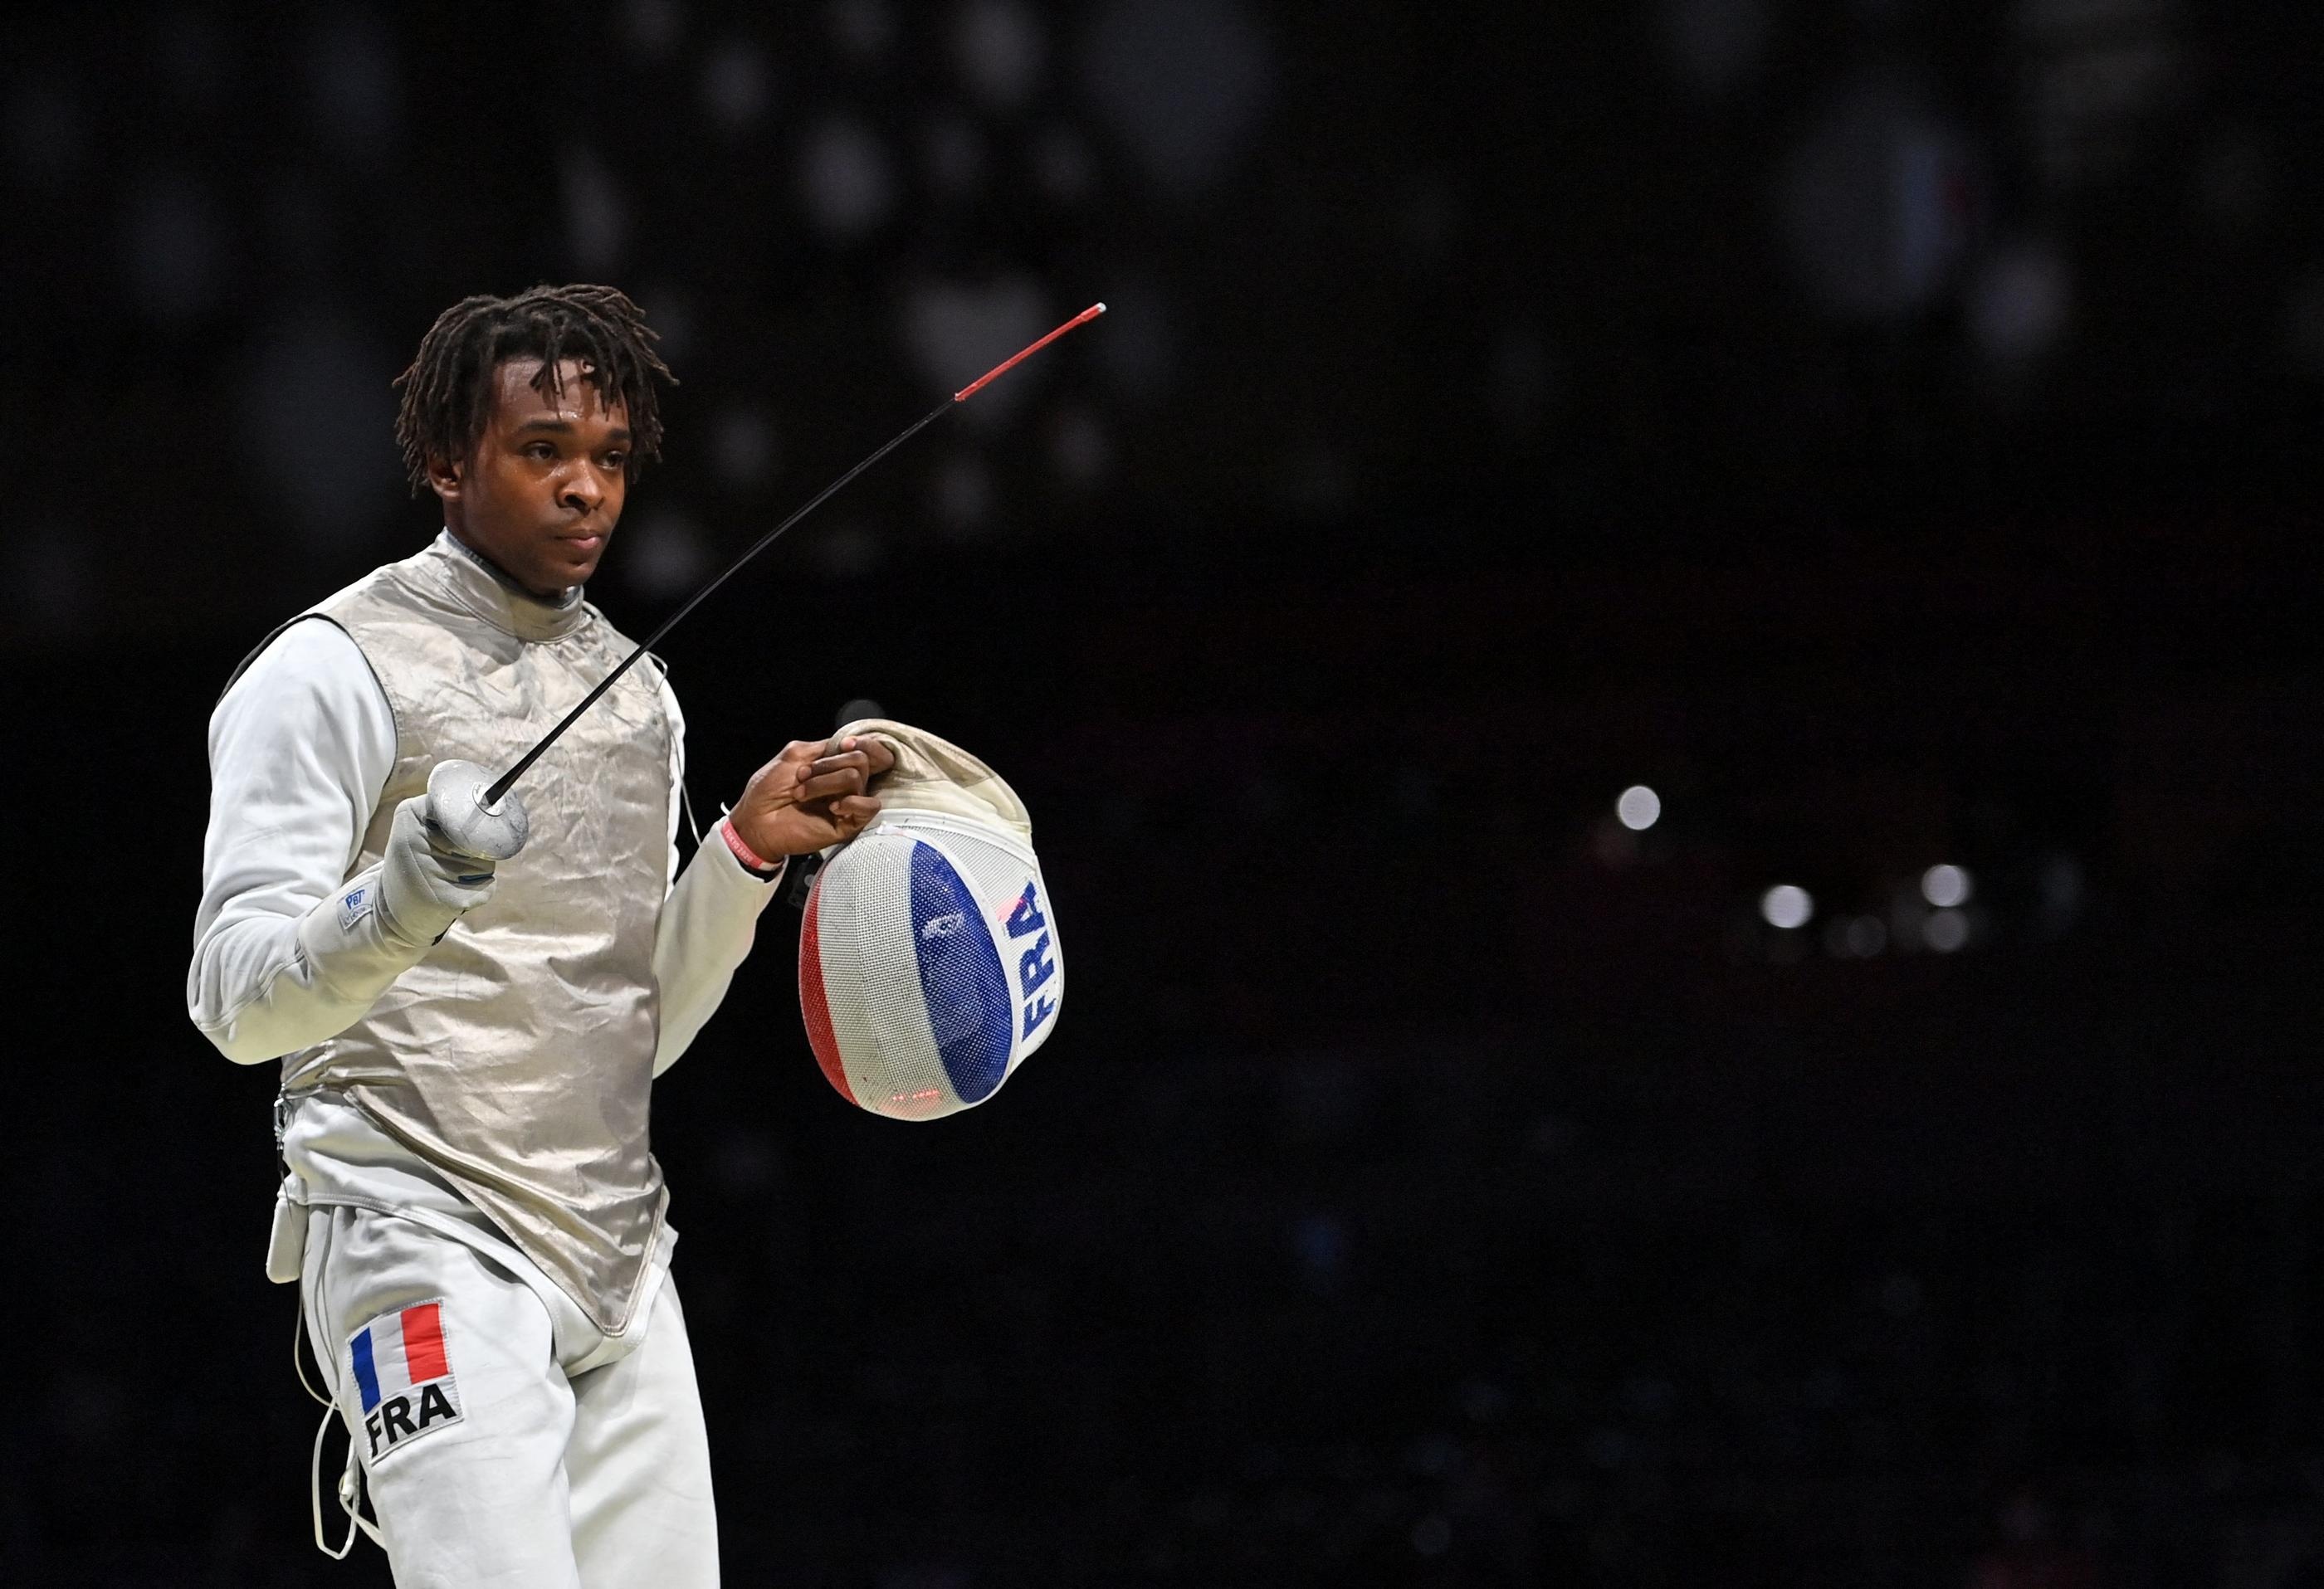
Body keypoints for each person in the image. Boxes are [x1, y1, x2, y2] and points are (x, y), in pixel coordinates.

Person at [188, 283, 889, 1586]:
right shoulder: (329, 670)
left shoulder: (641, 701)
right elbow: (234, 1004)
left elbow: (630, 1033)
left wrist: (739, 857)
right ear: (449, 463)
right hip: (416, 1231)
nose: (587, 492)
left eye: (610, 459)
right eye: (544, 451)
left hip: (620, 1257)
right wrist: (400, 896)